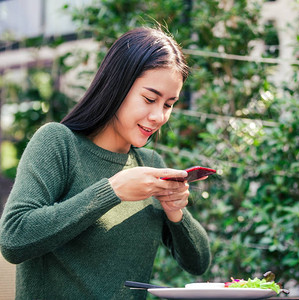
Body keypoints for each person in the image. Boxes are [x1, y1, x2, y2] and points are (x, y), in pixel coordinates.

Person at [0, 27, 211, 299]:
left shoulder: (149, 163)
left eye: (169, 104)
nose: (159, 116)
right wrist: (111, 191)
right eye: (149, 99)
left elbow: (198, 263)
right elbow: (14, 239)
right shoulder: (59, 144)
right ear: (117, 85)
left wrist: (175, 212)